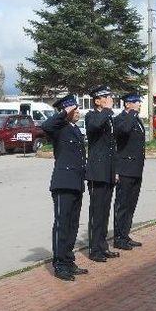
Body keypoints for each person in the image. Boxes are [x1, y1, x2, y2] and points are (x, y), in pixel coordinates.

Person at [41, 95, 88, 281]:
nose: (78, 113)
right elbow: (45, 126)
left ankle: (68, 260)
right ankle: (59, 264)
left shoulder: (75, 129)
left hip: (76, 182)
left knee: (73, 225)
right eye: (74, 110)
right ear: (66, 111)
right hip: (63, 182)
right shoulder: (58, 128)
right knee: (62, 225)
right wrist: (64, 113)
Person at [85, 85, 119, 262]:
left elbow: (113, 147)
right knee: (96, 212)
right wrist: (107, 110)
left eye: (109, 96)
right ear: (97, 100)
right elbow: (95, 126)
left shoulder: (109, 117)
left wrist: (116, 171)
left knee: (105, 211)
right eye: (106, 97)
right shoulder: (92, 116)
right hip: (97, 173)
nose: (110, 99)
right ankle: (94, 249)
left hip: (108, 172)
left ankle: (103, 246)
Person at [113, 93, 145, 250]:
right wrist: (132, 113)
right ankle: (118, 238)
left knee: (131, 204)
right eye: (136, 102)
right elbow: (124, 131)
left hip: (136, 169)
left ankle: (125, 234)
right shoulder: (120, 119)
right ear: (127, 104)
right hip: (125, 169)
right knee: (122, 205)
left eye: (139, 102)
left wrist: (134, 114)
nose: (139, 104)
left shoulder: (136, 119)